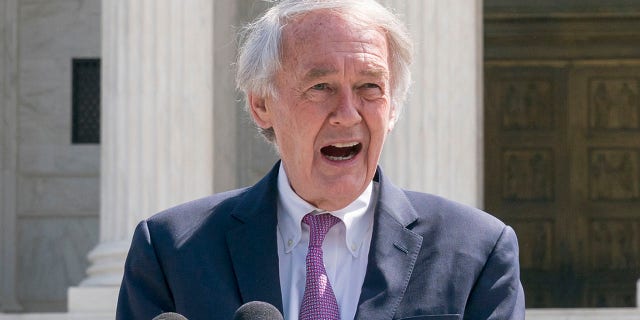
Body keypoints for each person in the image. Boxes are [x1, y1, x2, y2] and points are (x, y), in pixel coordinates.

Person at [116, 0, 526, 319]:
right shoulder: (171, 250)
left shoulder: (477, 251)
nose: (347, 113)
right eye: (321, 86)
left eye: (369, 86)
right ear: (261, 104)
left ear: (394, 107)